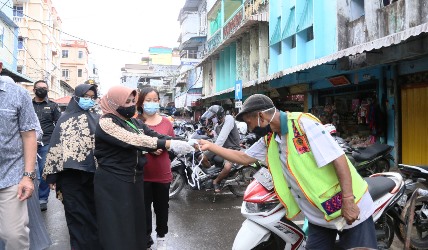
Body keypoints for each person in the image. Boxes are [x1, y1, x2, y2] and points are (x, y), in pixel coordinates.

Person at [198, 94, 377, 249]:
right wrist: (211, 146)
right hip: (318, 215)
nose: (250, 128)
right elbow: (244, 157)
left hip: (348, 208)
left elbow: (339, 160)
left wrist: (348, 200)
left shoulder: (303, 124)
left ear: (261, 116)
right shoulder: (271, 138)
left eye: (249, 122)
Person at [93, 85, 195, 250]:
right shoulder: (107, 122)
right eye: (126, 102)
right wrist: (168, 143)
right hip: (114, 183)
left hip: (133, 180)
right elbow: (133, 140)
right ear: (114, 102)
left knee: (135, 224)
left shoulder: (133, 122)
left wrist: (182, 142)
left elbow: (153, 135)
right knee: (117, 227)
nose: (131, 105)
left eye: (133, 101)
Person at [43, 84, 102, 250]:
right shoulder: (64, 119)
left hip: (93, 176)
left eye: (92, 97)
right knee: (76, 217)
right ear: (76, 97)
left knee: (93, 215)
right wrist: (52, 176)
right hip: (70, 178)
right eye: (86, 96)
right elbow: (56, 148)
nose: (89, 100)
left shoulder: (97, 118)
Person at [0, 62, 39, 250]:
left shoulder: (18, 94)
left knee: (14, 235)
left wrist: (28, 176)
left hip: (10, 175)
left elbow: (29, 135)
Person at [136, 87, 175, 250]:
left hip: (162, 173)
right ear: (141, 103)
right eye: (148, 100)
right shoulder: (135, 122)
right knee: (142, 210)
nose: (152, 104)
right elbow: (128, 145)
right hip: (142, 174)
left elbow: (173, 146)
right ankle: (145, 240)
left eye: (155, 100)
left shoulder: (167, 122)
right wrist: (148, 149)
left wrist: (163, 150)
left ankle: (161, 238)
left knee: (162, 208)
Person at [32, 80, 61, 211]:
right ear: (34, 90)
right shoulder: (27, 104)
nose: (43, 90)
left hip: (46, 142)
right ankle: (30, 198)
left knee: (44, 170)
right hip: (29, 142)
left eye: (45, 88)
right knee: (32, 171)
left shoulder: (53, 106)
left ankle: (42, 198)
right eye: (40, 88)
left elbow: (59, 124)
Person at [199, 105, 241, 192]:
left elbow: (221, 140)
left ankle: (216, 181)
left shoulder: (229, 119)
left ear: (219, 115)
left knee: (227, 167)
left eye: (213, 116)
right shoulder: (216, 126)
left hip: (232, 149)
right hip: (221, 147)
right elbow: (216, 139)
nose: (212, 118)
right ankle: (212, 175)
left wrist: (210, 147)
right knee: (201, 157)